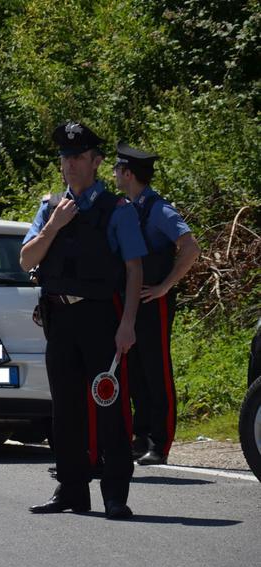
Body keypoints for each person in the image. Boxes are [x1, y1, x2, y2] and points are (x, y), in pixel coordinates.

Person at [21, 122, 147, 520]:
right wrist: (54, 226)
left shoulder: (117, 210)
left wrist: (128, 323)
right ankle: (72, 489)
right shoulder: (50, 208)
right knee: (65, 408)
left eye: (77, 157)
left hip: (100, 317)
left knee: (109, 404)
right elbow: (26, 259)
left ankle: (115, 494)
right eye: (65, 157)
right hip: (59, 317)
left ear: (95, 162)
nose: (70, 164)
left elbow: (134, 270)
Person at [112, 143, 200, 465]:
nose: (113, 173)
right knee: (134, 369)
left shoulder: (160, 210)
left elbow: (190, 247)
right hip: (131, 300)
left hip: (154, 301)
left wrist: (165, 286)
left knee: (156, 369)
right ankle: (141, 436)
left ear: (128, 173)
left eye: (117, 169)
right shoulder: (126, 207)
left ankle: (160, 443)